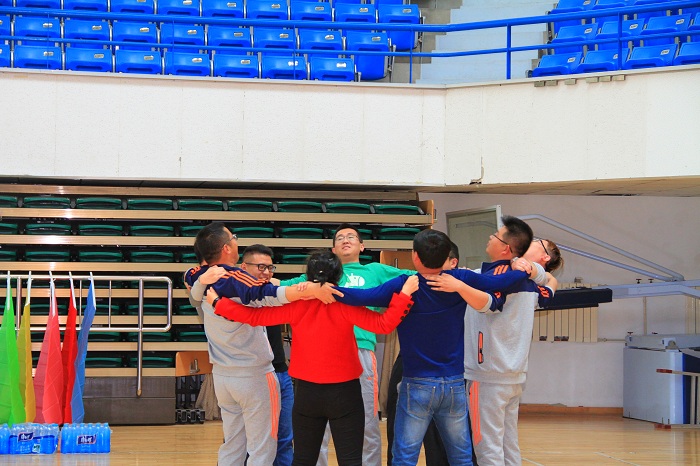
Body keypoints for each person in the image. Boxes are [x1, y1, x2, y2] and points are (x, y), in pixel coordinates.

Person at [332, 229, 535, 466]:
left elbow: (362, 297)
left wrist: (328, 290)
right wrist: (525, 269)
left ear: (415, 257)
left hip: (416, 383)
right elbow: (500, 282)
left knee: (404, 457)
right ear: (447, 256)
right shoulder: (459, 279)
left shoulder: (405, 284)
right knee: (461, 457)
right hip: (454, 384)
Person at [208, 249, 419, 466]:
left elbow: (252, 316)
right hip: (345, 393)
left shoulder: (296, 305)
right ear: (339, 276)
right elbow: (384, 324)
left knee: (303, 460)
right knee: (351, 461)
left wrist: (217, 303)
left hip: (307, 394)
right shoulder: (344, 303)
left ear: (308, 275)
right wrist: (404, 295)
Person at [184, 222, 338, 466]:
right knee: (263, 448)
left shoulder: (198, 275)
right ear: (226, 248)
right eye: (234, 237)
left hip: (223, 376)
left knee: (232, 444)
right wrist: (310, 291)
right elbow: (269, 294)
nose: (237, 240)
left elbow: (189, 278)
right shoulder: (235, 278)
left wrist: (201, 283)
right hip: (253, 376)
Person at [426, 217, 559, 466]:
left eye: (495, 235)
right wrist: (537, 272)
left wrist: (459, 285)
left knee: (487, 447)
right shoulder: (527, 281)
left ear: (506, 248)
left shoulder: (499, 276)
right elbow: (550, 288)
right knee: (508, 444)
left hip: (488, 374)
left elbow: (487, 302)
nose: (490, 237)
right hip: (514, 375)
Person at [280, 223, 416, 466]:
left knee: (367, 422)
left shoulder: (375, 270)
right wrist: (308, 287)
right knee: (316, 429)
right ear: (333, 249)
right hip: (321, 357)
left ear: (362, 246)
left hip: (360, 353)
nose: (345, 240)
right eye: (340, 237)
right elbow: (280, 288)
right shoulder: (317, 275)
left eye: (351, 236)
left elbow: (416, 277)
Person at [385, 241, 460, 466]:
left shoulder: (464, 282)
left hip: (448, 370)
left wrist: (539, 274)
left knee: (444, 439)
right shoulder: (413, 281)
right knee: (400, 433)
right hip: (410, 363)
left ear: (452, 263)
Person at [240, 244, 294, 466]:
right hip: (252, 376)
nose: (266, 272)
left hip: (280, 372)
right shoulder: (235, 295)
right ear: (243, 268)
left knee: (285, 439)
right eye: (260, 267)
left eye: (270, 267)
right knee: (248, 441)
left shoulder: (273, 292)